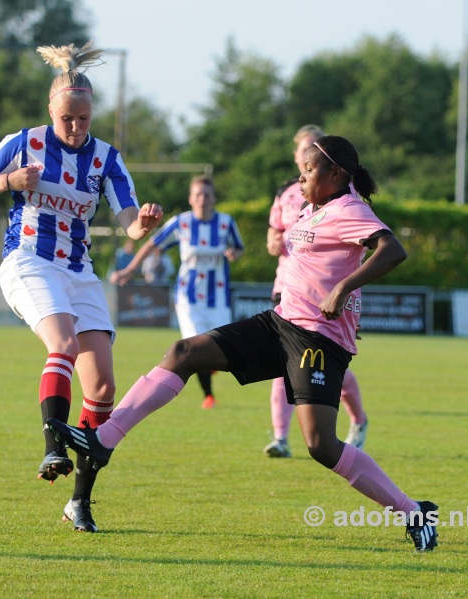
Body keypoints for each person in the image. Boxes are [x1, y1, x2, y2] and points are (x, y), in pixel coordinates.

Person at [49, 135, 438, 551]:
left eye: (309, 171)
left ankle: (414, 511)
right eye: (302, 170)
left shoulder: (348, 209)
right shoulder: (314, 206)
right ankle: (103, 440)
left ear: (336, 175)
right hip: (280, 323)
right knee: (185, 353)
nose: (301, 179)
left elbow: (391, 249)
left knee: (321, 445)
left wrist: (344, 290)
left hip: (317, 340)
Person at [0, 41, 163, 533]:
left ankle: (80, 501)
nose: (75, 128)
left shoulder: (108, 160)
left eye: (84, 120)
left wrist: (146, 224)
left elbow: (129, 221)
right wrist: (8, 181)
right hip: (28, 261)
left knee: (104, 387)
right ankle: (52, 445)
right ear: (51, 111)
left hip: (80, 272)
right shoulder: (23, 143)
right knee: (63, 343)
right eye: (67, 118)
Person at [264, 126, 369, 458]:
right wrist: (274, 242)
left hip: (326, 297)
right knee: (283, 365)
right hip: (287, 288)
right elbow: (273, 239)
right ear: (296, 156)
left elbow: (362, 250)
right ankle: (280, 438)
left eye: (314, 149)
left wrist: (347, 295)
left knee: (325, 369)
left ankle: (358, 418)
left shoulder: (343, 193)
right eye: (302, 151)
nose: (307, 156)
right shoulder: (287, 193)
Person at [110, 175, 244, 409]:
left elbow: (239, 247)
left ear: (213, 198)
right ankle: (208, 396)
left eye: (207, 195)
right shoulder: (181, 222)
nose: (203, 199)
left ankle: (208, 378)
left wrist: (234, 253)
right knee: (195, 345)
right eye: (198, 195)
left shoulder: (225, 222)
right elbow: (153, 243)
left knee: (220, 347)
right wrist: (130, 269)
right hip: (188, 297)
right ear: (191, 199)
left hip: (218, 297)